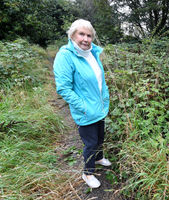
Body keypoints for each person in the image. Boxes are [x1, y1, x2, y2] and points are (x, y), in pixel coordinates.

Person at [53, 19, 111, 188]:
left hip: (99, 107)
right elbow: (64, 88)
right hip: (86, 111)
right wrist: (84, 106)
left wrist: (105, 98)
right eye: (82, 34)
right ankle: (88, 173)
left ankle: (99, 158)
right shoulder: (65, 56)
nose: (86, 39)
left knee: (100, 137)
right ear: (72, 35)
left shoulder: (93, 52)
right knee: (91, 143)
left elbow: (100, 80)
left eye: (89, 35)